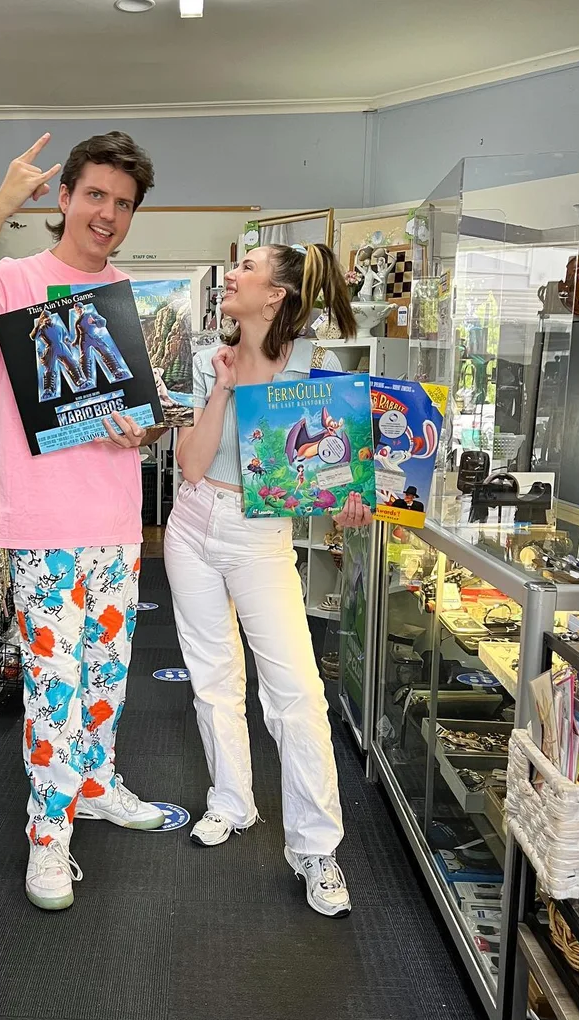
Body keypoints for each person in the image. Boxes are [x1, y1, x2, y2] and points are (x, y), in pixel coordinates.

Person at [0, 130, 166, 913]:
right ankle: (47, 837)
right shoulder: (11, 279)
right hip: (42, 527)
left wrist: (148, 426)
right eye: (95, 195)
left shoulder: (131, 298)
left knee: (104, 678)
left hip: (117, 524)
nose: (108, 214)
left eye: (123, 203)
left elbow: (148, 410)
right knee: (53, 689)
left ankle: (93, 786)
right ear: (62, 198)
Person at [165, 242, 370, 919]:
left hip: (261, 537)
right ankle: (232, 800)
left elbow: (335, 470)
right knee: (212, 675)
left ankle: (316, 848)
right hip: (194, 522)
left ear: (278, 294)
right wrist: (222, 385)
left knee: (296, 693)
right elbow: (192, 465)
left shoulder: (318, 371)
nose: (233, 275)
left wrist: (349, 495)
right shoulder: (206, 361)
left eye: (249, 268)